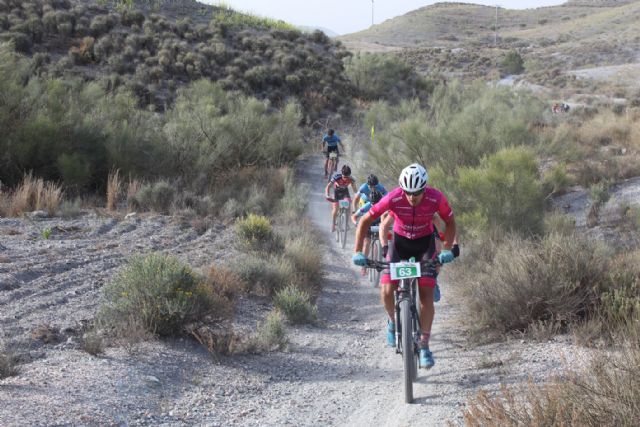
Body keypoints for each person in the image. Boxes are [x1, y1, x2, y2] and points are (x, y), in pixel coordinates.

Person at [352, 163, 456, 369]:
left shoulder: (436, 198)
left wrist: (446, 248)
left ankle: (424, 345)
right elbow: (365, 220)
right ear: (402, 189)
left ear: (424, 189)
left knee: (426, 295)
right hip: (400, 245)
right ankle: (392, 321)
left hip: (424, 245)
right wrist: (357, 251)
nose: (412, 197)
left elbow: (450, 222)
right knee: (386, 290)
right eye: (408, 192)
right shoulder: (393, 197)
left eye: (416, 193)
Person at [351, 189, 384, 276]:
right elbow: (354, 216)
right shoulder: (366, 206)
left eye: (378, 203)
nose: (375, 206)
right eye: (373, 204)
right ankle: (364, 266)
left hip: (378, 225)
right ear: (370, 202)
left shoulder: (384, 205)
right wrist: (356, 223)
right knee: (367, 243)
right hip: (368, 225)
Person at [325, 164, 357, 232]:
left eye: (347, 177)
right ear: (341, 174)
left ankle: (346, 223)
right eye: (344, 177)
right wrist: (327, 195)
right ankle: (333, 225)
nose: (345, 178)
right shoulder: (337, 176)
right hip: (337, 191)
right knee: (336, 209)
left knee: (348, 206)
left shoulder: (351, 179)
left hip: (345, 191)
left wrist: (356, 196)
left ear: (349, 175)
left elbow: (355, 190)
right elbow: (328, 186)